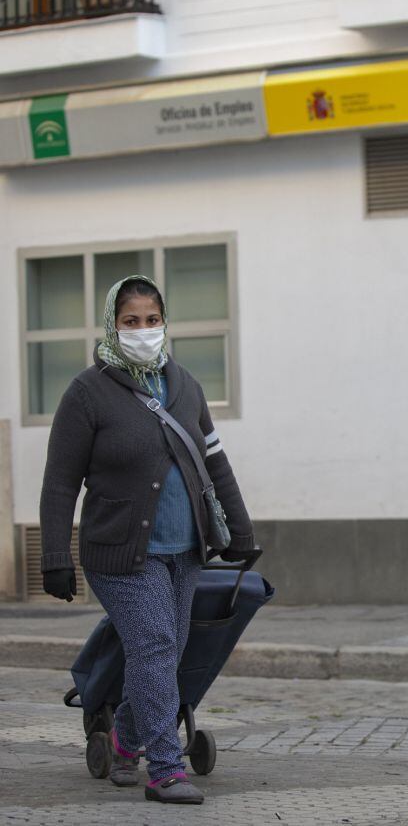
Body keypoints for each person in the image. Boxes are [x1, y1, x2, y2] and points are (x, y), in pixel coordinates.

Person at [39, 275, 255, 804]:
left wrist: (241, 530)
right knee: (156, 646)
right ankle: (164, 769)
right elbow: (60, 481)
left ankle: (123, 739)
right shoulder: (87, 393)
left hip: (184, 549)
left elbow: (214, 461)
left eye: (151, 320)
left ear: (165, 321)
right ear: (113, 325)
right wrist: (53, 556)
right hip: (119, 553)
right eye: (130, 322)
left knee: (167, 652)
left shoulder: (185, 385)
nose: (143, 331)